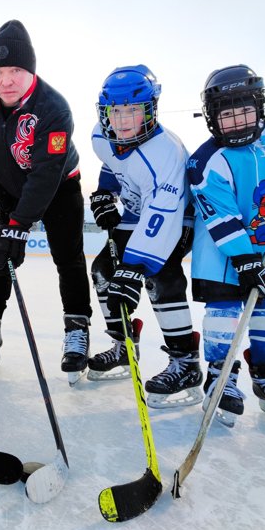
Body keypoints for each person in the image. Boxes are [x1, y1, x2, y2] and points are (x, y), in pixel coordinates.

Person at [0, 19, 92, 378]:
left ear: (30, 70)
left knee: (68, 256)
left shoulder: (53, 108)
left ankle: (77, 327)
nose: (6, 80)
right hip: (4, 188)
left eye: (16, 70)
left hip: (60, 185)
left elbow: (47, 172)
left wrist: (19, 225)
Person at [187, 64, 265, 427]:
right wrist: (243, 259)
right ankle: (220, 379)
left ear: (261, 107)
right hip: (220, 250)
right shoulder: (207, 161)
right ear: (212, 119)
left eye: (245, 110)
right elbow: (220, 217)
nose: (238, 121)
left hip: (264, 242)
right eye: (227, 115)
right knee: (225, 310)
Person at [89, 65, 202, 407]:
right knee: (103, 272)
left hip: (175, 216)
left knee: (159, 276)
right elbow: (114, 163)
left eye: (133, 111)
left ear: (150, 110)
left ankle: (186, 363)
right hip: (137, 213)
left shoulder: (166, 151)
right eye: (116, 111)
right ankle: (124, 347)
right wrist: (103, 194)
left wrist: (134, 267)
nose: (122, 120)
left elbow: (161, 216)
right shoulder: (101, 135)